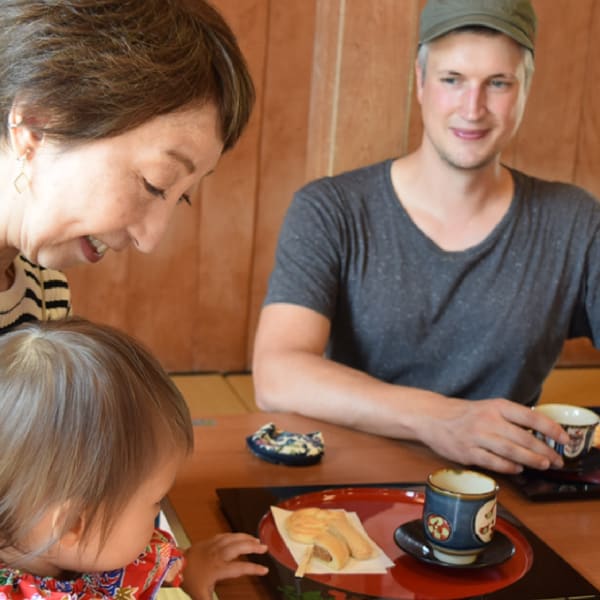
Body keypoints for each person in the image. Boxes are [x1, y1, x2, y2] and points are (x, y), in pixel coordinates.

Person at [252, 0, 600, 475]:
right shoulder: (331, 209)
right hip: (348, 484)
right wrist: (442, 419)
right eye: (451, 79)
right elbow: (277, 374)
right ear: (420, 82)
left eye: (497, 83)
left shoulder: (575, 221)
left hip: (501, 495)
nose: (472, 109)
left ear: (524, 91)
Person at [0, 0, 254, 332]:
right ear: (36, 125)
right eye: (155, 183)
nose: (150, 240)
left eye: (181, 198)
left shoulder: (46, 296)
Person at [0, 317, 268, 600]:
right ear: (72, 525)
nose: (159, 513)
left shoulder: (79, 548)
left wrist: (187, 572)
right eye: (156, 501)